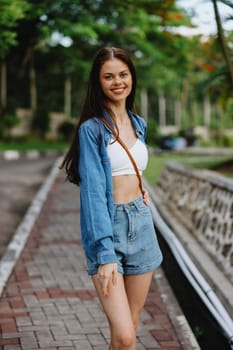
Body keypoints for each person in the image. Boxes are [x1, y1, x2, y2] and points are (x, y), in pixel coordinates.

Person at [61, 46, 163, 350]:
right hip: (108, 230)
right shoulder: (91, 130)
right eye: (109, 76)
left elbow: (131, 165)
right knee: (123, 335)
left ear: (132, 77)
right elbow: (93, 193)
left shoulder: (139, 123)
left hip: (142, 225)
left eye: (123, 74)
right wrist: (104, 254)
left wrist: (140, 187)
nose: (118, 81)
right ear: (98, 81)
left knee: (129, 329)